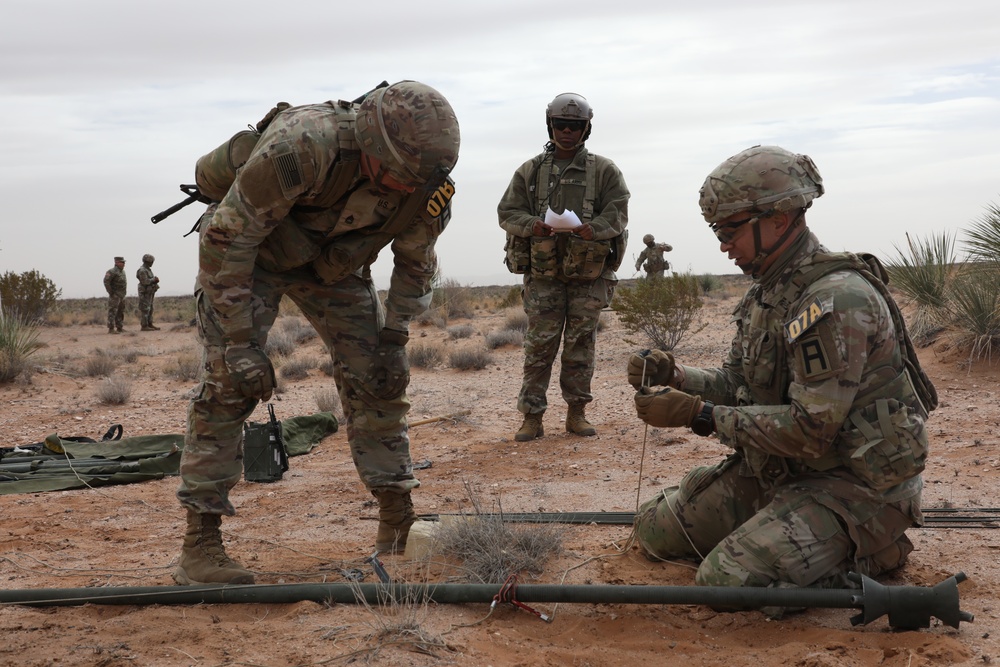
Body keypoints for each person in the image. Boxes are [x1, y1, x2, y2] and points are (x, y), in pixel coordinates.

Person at [174, 81, 461, 586]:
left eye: (411, 181)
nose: (401, 188)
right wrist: (241, 344)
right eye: (395, 176)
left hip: (333, 268)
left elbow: (415, 265)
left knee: (380, 379)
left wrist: (393, 340)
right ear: (372, 145)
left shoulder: (424, 186)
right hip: (249, 257)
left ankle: (397, 517)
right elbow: (228, 238)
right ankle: (201, 544)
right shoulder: (303, 146)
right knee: (229, 383)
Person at [626, 145, 936, 598]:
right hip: (784, 472)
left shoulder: (834, 301)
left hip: (853, 489)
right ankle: (776, 526)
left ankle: (878, 550)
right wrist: (677, 378)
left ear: (778, 218)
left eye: (730, 229)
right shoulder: (766, 294)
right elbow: (737, 383)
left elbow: (811, 430)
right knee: (652, 530)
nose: (722, 243)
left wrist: (700, 415)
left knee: (726, 582)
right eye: (717, 229)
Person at [498, 92, 630, 441]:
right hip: (544, 275)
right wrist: (532, 225)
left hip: (588, 275)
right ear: (550, 125)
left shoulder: (603, 171)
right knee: (539, 347)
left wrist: (595, 229)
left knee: (580, 346)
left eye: (574, 126)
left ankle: (577, 414)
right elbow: (507, 212)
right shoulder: (531, 171)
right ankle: (532, 417)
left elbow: (618, 211)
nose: (566, 131)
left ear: (585, 128)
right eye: (561, 124)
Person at [136, 254, 161, 331]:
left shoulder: (147, 270)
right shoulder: (142, 270)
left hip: (149, 292)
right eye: (151, 262)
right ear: (147, 261)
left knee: (150, 309)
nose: (152, 263)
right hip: (145, 293)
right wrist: (154, 280)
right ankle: (144, 326)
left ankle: (149, 324)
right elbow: (145, 282)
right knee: (145, 309)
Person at [103, 256, 127, 334]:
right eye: (122, 262)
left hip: (122, 295)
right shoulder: (111, 271)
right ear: (116, 263)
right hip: (115, 295)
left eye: (124, 262)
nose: (124, 264)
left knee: (120, 311)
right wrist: (111, 292)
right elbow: (106, 282)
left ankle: (119, 327)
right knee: (112, 311)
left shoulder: (122, 272)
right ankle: (111, 328)